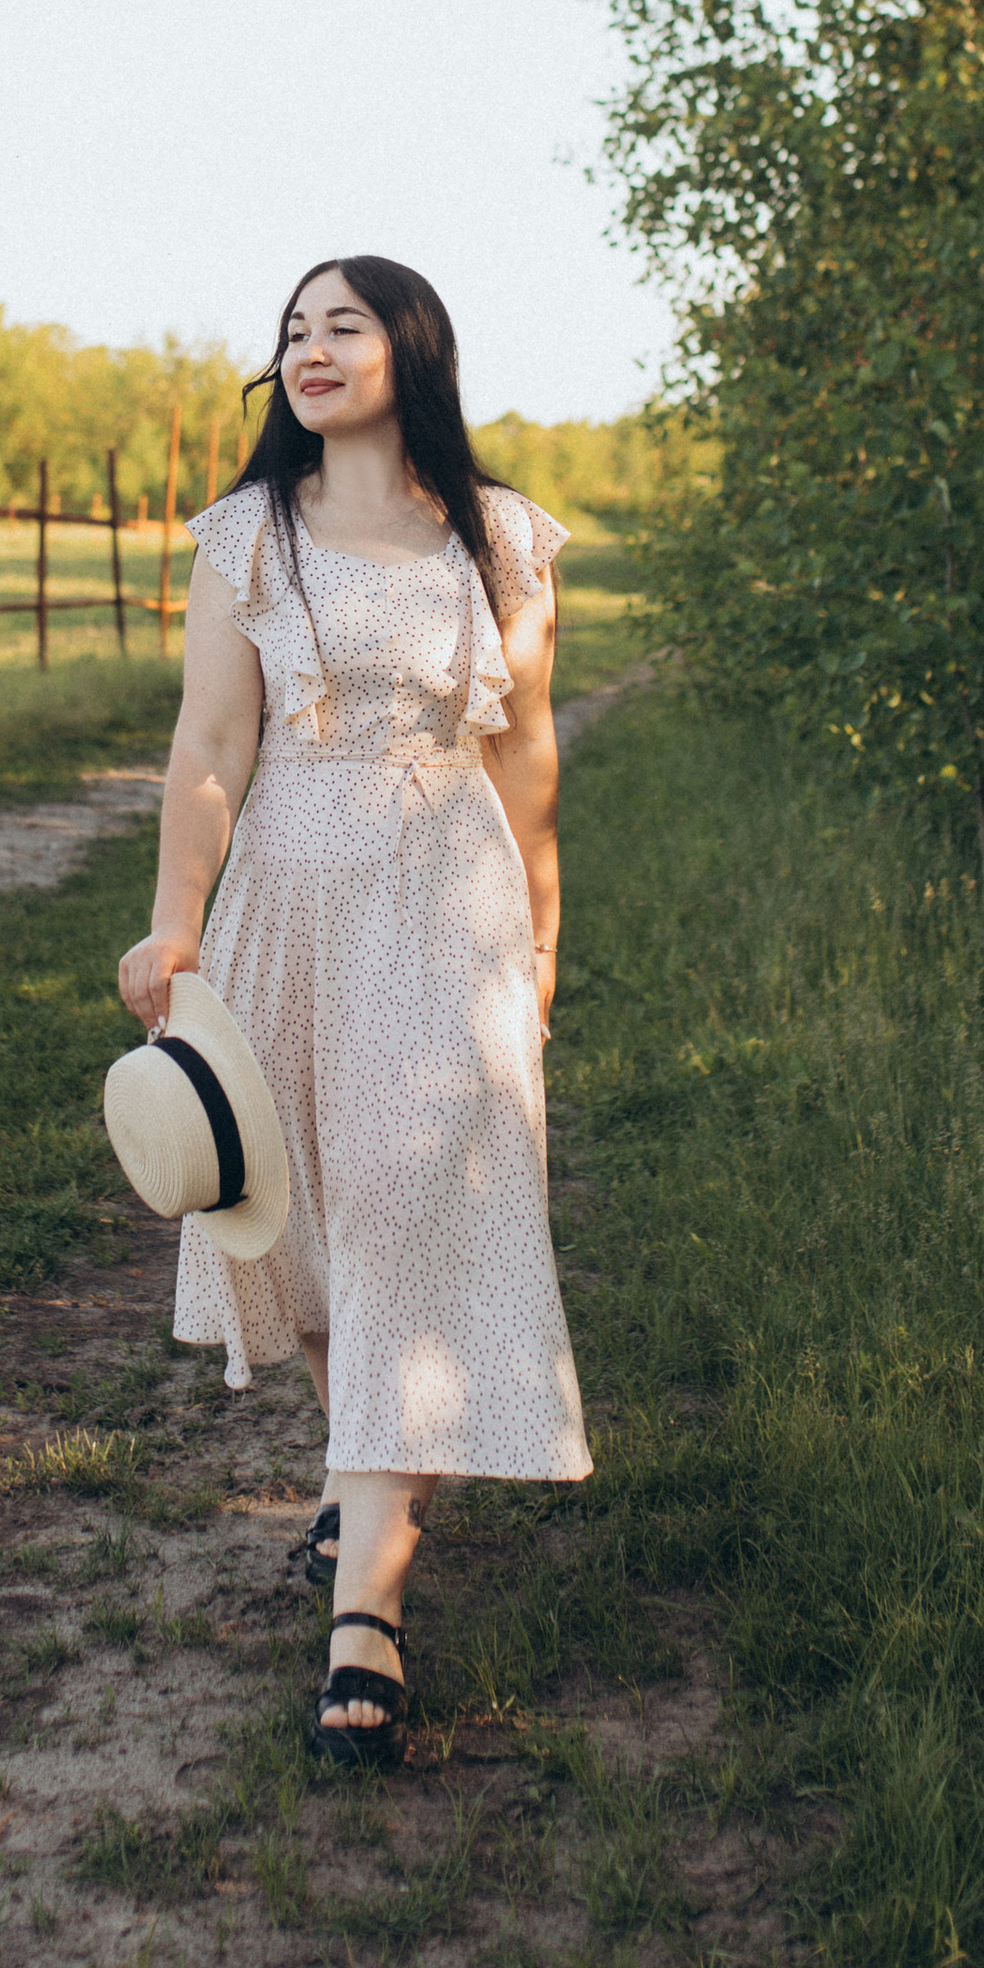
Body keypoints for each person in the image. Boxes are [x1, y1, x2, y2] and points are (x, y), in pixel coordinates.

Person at [116, 255, 591, 1768]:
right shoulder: (251, 535)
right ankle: (361, 1464)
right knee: (308, 1230)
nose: (311, 351)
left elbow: (528, 771)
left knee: (408, 1212)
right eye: (293, 332)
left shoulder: (503, 541)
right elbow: (208, 743)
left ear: (413, 350)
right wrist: (172, 924)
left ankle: (366, 1626)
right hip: (289, 904)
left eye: (346, 325)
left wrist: (542, 943)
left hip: (446, 912)